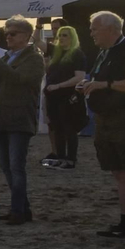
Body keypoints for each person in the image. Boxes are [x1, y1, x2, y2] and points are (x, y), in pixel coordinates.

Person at [83, 12, 125, 241]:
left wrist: (105, 84)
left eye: (95, 28)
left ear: (111, 29)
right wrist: (91, 86)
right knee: (119, 173)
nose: (91, 33)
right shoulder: (105, 53)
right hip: (107, 120)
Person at [0, 17, 45, 225]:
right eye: (6, 33)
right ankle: (21, 209)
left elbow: (19, 79)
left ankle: (19, 210)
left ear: (26, 36)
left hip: (19, 118)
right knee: (6, 166)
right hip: (1, 118)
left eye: (13, 34)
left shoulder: (33, 58)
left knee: (16, 167)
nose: (8, 37)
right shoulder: (7, 56)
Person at [42, 24, 88, 169]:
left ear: (72, 37)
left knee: (69, 129)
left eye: (65, 35)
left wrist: (59, 85)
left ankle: (71, 159)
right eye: (60, 35)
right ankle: (60, 157)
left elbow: (79, 77)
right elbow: (37, 41)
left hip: (68, 98)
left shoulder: (77, 54)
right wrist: (38, 25)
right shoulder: (56, 53)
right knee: (57, 128)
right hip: (53, 98)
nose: (61, 38)